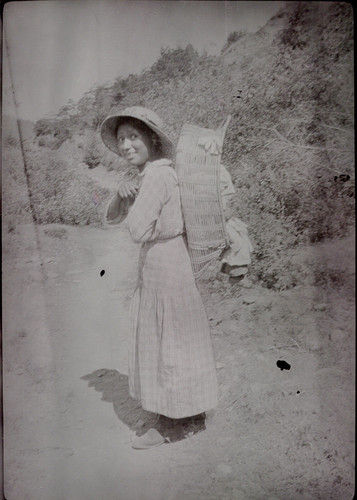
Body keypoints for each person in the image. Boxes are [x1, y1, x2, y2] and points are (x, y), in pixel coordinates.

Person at [100, 106, 218, 449]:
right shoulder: (162, 173)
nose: (125, 145)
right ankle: (190, 416)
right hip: (172, 259)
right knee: (178, 335)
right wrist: (125, 197)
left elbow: (137, 229)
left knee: (167, 338)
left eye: (133, 136)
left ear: (151, 138)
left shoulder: (154, 177)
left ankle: (171, 424)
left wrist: (130, 201)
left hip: (164, 263)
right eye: (121, 139)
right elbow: (118, 216)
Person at [219, 164, 253, 286]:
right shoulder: (213, 193)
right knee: (238, 241)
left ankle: (232, 271)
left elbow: (227, 203)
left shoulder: (219, 171)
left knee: (241, 231)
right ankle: (235, 274)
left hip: (222, 219)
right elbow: (221, 213)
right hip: (217, 223)